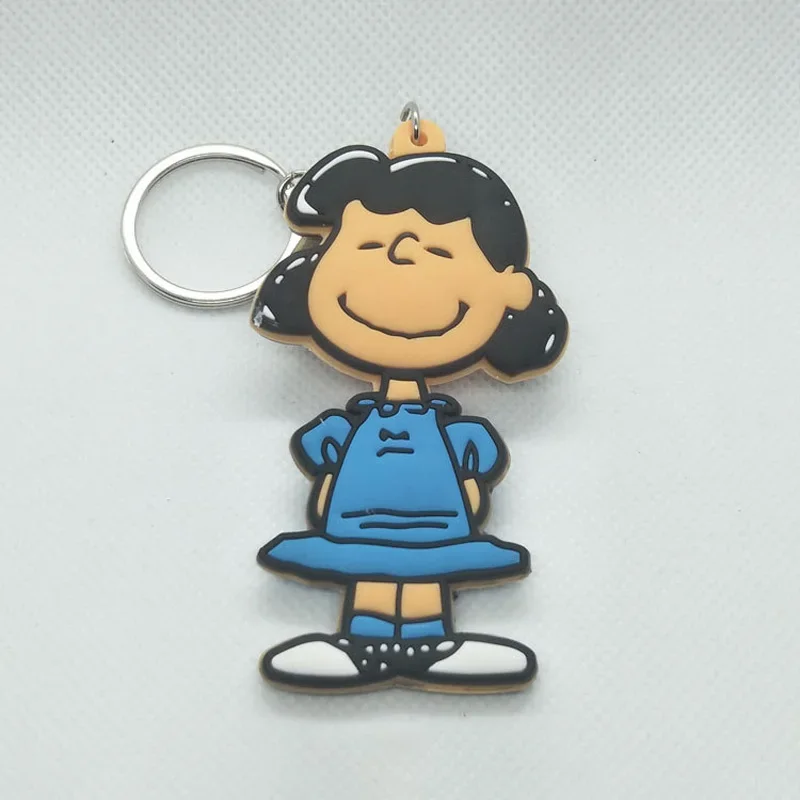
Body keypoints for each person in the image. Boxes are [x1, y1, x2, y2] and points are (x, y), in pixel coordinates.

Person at [252, 141, 567, 692]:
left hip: (437, 523)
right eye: (369, 245)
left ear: (511, 289)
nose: (401, 260)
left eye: (440, 253)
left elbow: (479, 457)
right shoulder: (353, 424)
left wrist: (471, 459)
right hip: (356, 521)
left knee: (426, 572)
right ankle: (364, 645)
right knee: (369, 570)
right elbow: (318, 448)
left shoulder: (454, 431)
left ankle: (430, 644)